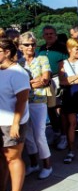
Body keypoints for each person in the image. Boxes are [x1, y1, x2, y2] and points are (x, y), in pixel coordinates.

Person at [18, 33, 53, 179]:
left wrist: (25, 83)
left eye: (33, 44)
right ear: (20, 46)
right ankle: (33, 164)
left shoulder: (42, 59)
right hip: (22, 102)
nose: (30, 47)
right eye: (27, 44)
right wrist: (33, 82)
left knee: (39, 134)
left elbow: (45, 79)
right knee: (27, 135)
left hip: (38, 101)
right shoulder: (18, 61)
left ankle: (47, 165)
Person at [0, 38, 30, 191]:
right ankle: (2, 188)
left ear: (7, 52)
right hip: (0, 121)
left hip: (12, 121)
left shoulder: (18, 73)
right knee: (1, 157)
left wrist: (15, 124)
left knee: (13, 157)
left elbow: (22, 100)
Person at [36, 25, 68, 150]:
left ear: (55, 34)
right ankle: (56, 132)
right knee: (50, 109)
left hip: (57, 80)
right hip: (45, 82)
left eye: (51, 33)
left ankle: (64, 136)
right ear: (43, 36)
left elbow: (66, 65)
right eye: (46, 34)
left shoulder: (62, 48)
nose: (49, 36)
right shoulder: (42, 48)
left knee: (60, 110)